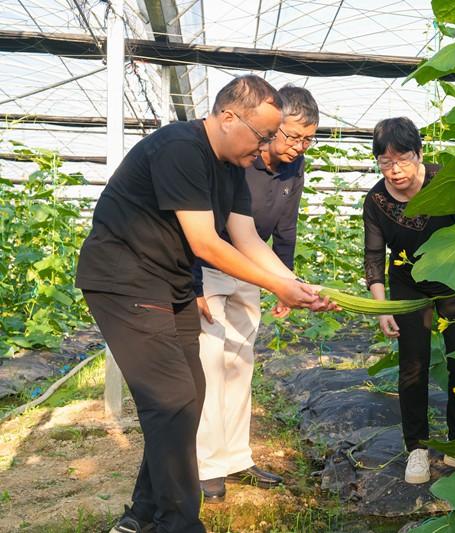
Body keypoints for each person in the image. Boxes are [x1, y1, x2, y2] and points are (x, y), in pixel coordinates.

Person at [75, 75, 331, 533]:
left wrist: (295, 283)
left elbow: (246, 235)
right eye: (263, 134)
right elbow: (206, 243)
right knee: (171, 400)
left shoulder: (232, 165)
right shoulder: (181, 147)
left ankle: (142, 516)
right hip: (125, 279)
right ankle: (179, 523)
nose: (268, 145)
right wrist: (278, 288)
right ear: (228, 116)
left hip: (168, 282)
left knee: (189, 396)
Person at [192, 85, 319, 502]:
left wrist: (286, 282)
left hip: (253, 270)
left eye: (308, 140)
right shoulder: (236, 158)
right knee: (211, 362)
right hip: (211, 267)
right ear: (271, 127)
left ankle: (236, 457)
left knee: (239, 361)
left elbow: (286, 228)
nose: (298, 147)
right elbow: (199, 230)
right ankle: (208, 466)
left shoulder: (292, 169)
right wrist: (192, 282)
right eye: (292, 136)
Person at [362, 117, 455, 484]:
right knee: (412, 366)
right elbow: (373, 255)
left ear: (419, 154)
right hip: (408, 285)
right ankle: (416, 448)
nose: (394, 169)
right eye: (385, 162)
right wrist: (382, 307)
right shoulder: (377, 200)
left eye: (402, 158)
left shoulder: (446, 181)